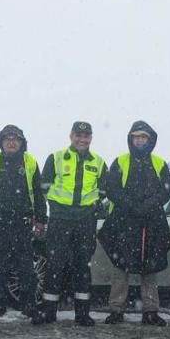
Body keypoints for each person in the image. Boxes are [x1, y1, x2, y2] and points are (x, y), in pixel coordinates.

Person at [98, 121, 170, 326]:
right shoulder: (121, 161)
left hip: (152, 222)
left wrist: (148, 205)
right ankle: (116, 309)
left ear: (150, 139)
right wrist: (131, 206)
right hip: (123, 221)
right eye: (136, 137)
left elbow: (166, 190)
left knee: (150, 268)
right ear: (131, 139)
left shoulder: (159, 163)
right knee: (120, 266)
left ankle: (150, 310)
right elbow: (112, 188)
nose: (139, 140)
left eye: (143, 137)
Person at [0, 124, 47, 324]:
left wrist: (41, 219)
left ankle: (28, 305)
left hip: (23, 223)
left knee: (26, 268)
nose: (11, 142)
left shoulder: (30, 162)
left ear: (21, 142)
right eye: (7, 138)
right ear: (1, 142)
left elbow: (38, 193)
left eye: (15, 139)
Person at [41, 121, 108, 326]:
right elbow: (43, 186)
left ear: (91, 138)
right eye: (78, 135)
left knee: (82, 266)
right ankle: (49, 312)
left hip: (85, 220)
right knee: (54, 264)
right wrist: (56, 206)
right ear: (71, 136)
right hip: (61, 218)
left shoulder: (98, 162)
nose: (82, 139)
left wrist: (97, 206)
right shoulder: (56, 158)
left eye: (86, 136)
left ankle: (82, 313)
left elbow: (105, 190)